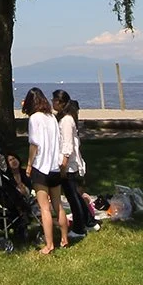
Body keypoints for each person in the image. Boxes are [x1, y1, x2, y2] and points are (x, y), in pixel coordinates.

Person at [23, 88, 66, 255]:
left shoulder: (34, 118)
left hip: (41, 167)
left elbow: (34, 144)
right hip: (55, 167)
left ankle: (49, 244)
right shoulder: (52, 117)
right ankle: (64, 238)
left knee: (44, 208)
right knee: (58, 204)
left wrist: (29, 165)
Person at [52, 90, 94, 239]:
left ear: (61, 103)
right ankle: (89, 221)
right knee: (75, 194)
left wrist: (63, 165)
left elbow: (68, 145)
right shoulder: (63, 119)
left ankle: (79, 228)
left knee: (72, 197)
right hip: (67, 163)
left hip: (68, 164)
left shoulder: (67, 121)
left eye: (55, 100)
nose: (53, 103)